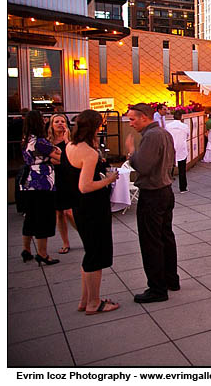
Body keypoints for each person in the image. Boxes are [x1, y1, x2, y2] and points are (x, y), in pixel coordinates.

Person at [65, 110, 120, 315]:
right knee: (96, 255)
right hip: (92, 209)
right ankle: (94, 302)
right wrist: (109, 179)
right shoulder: (87, 152)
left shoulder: (71, 146)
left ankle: (85, 299)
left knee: (90, 253)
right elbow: (85, 186)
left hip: (81, 207)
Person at [125, 103, 179, 303]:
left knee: (151, 242)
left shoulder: (151, 136)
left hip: (153, 193)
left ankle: (157, 288)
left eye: (132, 119)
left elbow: (142, 165)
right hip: (165, 190)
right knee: (166, 237)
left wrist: (131, 153)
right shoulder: (164, 133)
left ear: (144, 118)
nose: (130, 124)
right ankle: (171, 279)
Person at [19, 110, 62, 266]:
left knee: (30, 216)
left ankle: (26, 250)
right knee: (43, 217)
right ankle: (43, 254)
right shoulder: (41, 142)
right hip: (42, 181)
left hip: (27, 181)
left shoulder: (25, 139)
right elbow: (59, 156)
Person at [47, 113, 76, 254]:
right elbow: (50, 160)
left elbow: (72, 159)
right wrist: (62, 159)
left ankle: (85, 234)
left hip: (69, 178)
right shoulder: (47, 142)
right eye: (56, 121)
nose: (60, 123)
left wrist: (65, 145)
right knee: (59, 213)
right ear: (51, 125)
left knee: (69, 212)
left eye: (62, 121)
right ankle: (65, 243)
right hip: (54, 178)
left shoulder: (71, 140)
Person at [165, 111, 190, 193]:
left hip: (171, 149)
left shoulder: (168, 126)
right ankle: (183, 188)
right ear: (181, 117)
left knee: (169, 169)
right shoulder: (185, 126)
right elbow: (187, 135)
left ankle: (167, 187)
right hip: (182, 148)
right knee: (182, 169)